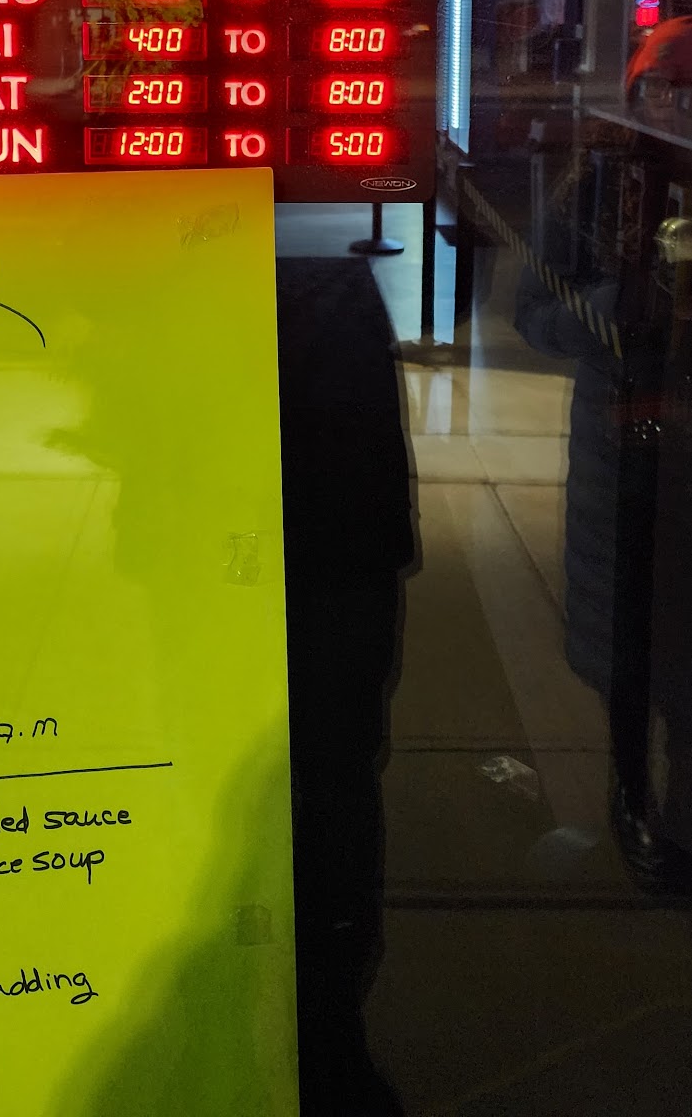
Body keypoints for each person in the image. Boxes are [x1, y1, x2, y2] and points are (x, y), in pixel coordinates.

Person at [276, 255, 414, 1116]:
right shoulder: (328, 273)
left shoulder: (325, 269)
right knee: (330, 789)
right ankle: (324, 1031)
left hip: (328, 540)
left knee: (327, 787)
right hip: (334, 543)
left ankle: (323, 1027)